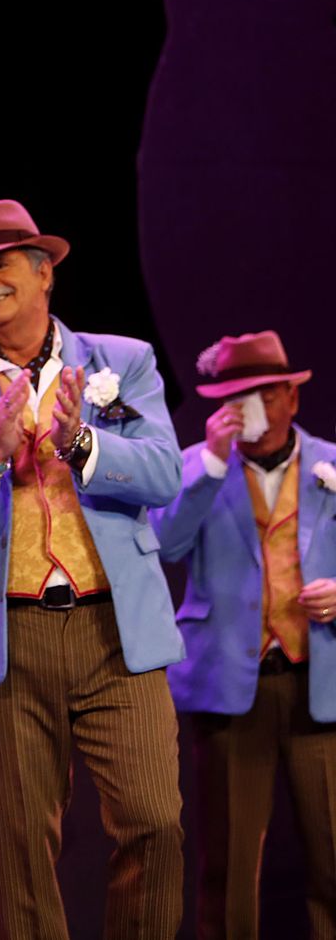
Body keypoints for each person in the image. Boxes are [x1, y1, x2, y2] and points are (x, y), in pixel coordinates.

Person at [0, 199, 186, 939]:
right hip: (5, 640)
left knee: (155, 822)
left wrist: (84, 442)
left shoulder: (124, 361)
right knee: (20, 856)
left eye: (0, 264)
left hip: (114, 632)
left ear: (43, 271)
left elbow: (162, 475)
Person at [152, 331, 336, 938]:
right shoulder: (193, 469)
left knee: (333, 864)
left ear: (291, 397)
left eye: (261, 393)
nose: (250, 407)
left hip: (321, 685)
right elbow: (167, 546)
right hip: (229, 687)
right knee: (226, 870)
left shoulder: (331, 465)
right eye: (236, 396)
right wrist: (208, 464)